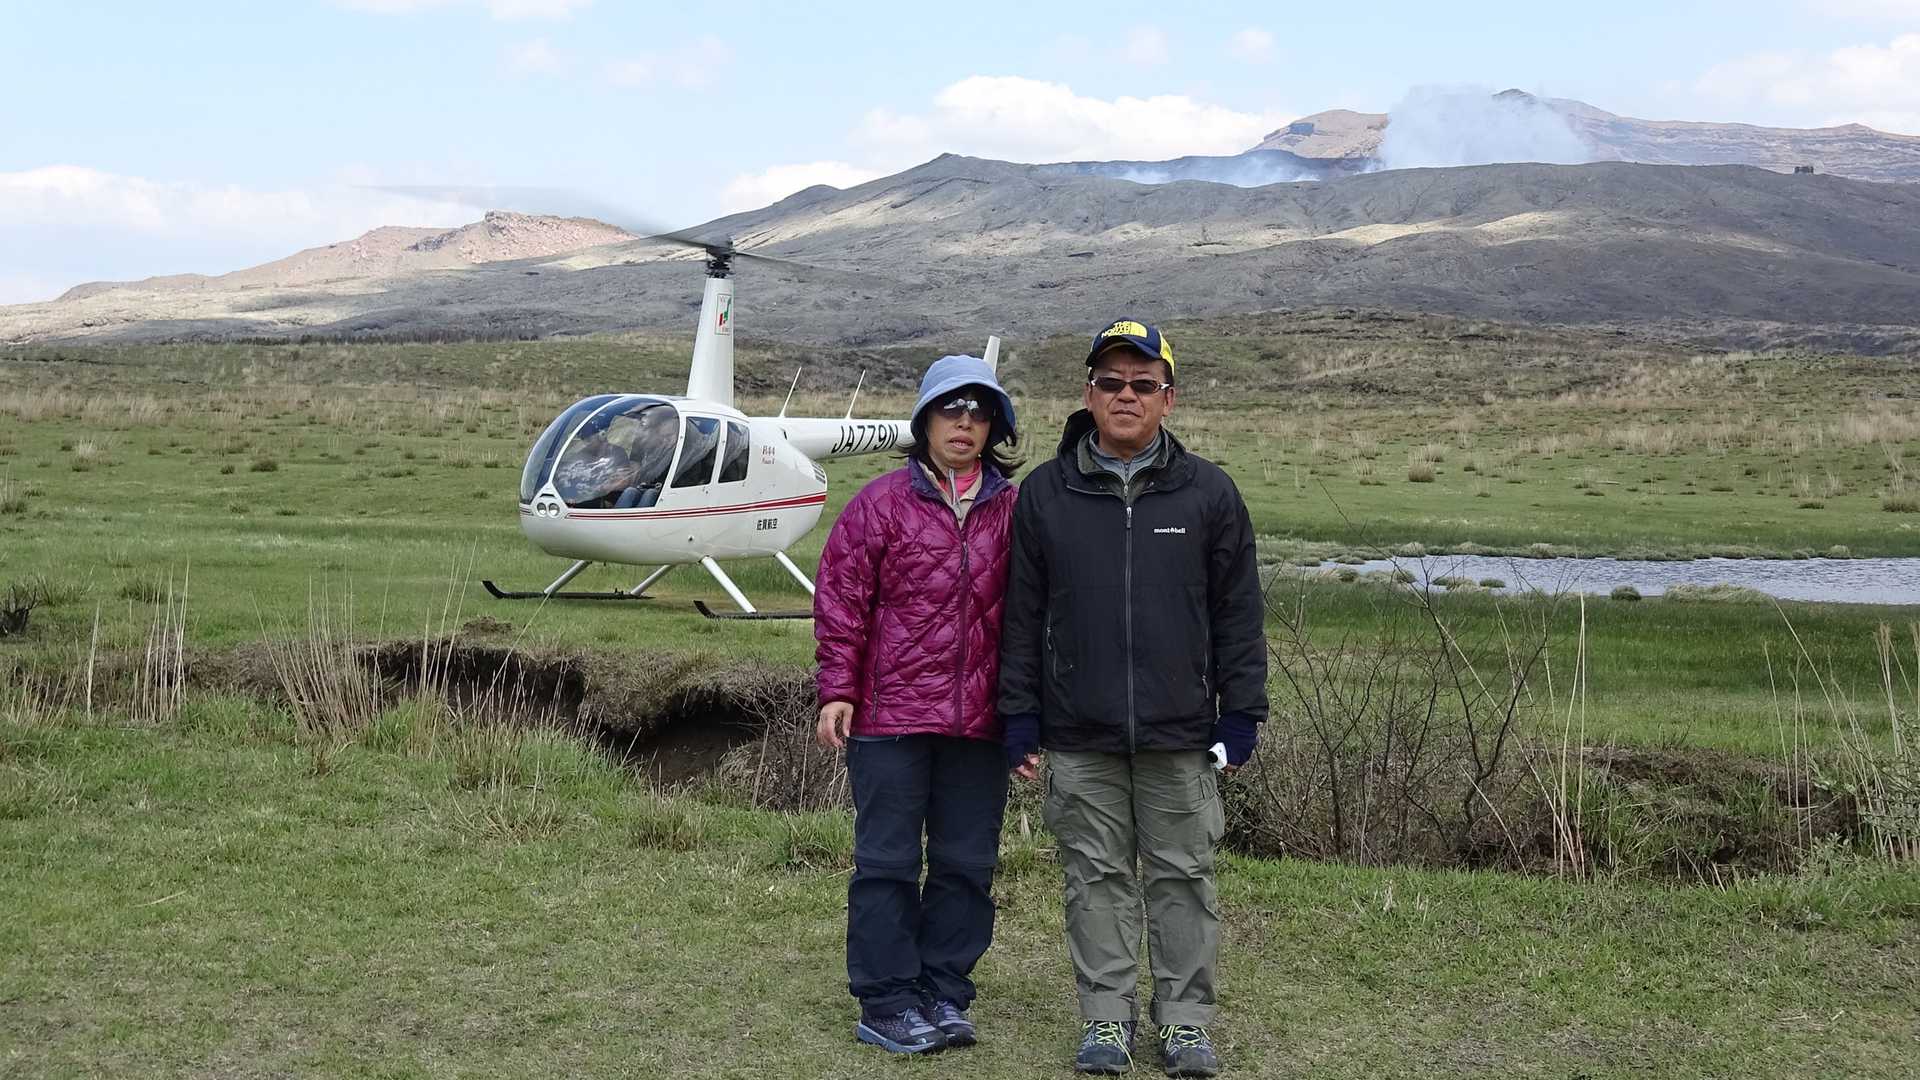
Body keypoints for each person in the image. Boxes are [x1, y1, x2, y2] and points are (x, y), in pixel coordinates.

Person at [998, 318, 1267, 1077]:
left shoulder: (1210, 493)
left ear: (1167, 399)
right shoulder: (1045, 494)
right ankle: (1107, 1019)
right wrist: (1019, 716)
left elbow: (1238, 615)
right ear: (1088, 394)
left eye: (1143, 384)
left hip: (1180, 730)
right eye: (1111, 382)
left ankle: (1184, 1024)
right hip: (1077, 729)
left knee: (1183, 876)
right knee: (1095, 877)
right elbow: (1020, 617)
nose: (1126, 395)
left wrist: (1242, 713)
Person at [813, 353, 1022, 1055]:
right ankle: (887, 1000)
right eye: (950, 409)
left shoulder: (1015, 511)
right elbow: (841, 601)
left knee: (967, 864)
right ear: (925, 420)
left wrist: (1028, 717)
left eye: (979, 411)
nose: (964, 423)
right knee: (887, 864)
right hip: (889, 717)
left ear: (994, 426)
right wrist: (838, 690)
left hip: (981, 721)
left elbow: (1036, 618)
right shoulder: (879, 504)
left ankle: (942, 992)